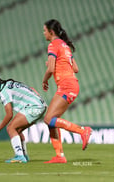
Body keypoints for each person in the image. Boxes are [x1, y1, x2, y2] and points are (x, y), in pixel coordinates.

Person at [42, 19, 92, 163]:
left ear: (51, 32)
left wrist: (44, 80)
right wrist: (58, 63)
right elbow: (75, 68)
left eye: (45, 30)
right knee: (51, 121)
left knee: (48, 119)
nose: (43, 33)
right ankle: (59, 156)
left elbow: (50, 69)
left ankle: (83, 131)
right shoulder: (65, 46)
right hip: (71, 84)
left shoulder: (53, 45)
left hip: (67, 86)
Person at [0, 74, 47, 163]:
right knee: (17, 130)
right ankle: (24, 155)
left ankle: (19, 156)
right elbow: (32, 88)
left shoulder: (3, 93)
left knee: (11, 128)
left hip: (34, 107)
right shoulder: (9, 84)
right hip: (40, 105)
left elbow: (9, 114)